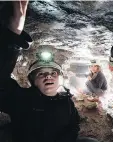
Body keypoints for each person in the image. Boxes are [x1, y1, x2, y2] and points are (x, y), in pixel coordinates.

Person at [0, 1, 99, 142]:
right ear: (32, 81)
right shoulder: (20, 99)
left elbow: (74, 125)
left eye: (53, 73)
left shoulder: (67, 102)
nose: (48, 76)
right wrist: (13, 38)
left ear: (59, 78)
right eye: (41, 74)